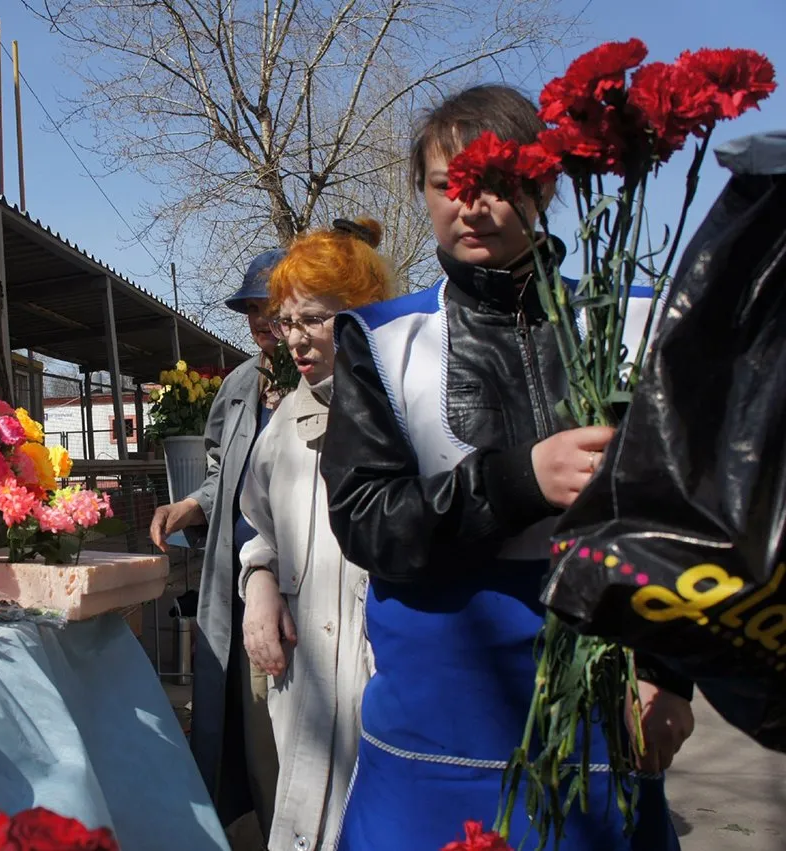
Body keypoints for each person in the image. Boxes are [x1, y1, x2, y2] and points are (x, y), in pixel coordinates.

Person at [320, 85, 693, 850]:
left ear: (546, 183)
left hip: (602, 710)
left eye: (495, 181)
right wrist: (519, 481)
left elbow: (687, 518)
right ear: (422, 195)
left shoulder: (630, 323)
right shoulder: (386, 341)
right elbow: (367, 522)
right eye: (446, 185)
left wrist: (671, 673)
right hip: (434, 723)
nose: (471, 205)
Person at [238, 219, 388, 851]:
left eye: (315, 321)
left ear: (361, 316)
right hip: (304, 667)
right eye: (288, 321)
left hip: (378, 660)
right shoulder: (284, 424)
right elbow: (260, 523)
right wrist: (261, 581)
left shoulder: (402, 408)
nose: (294, 339)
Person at [148, 250, 284, 841]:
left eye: (272, 307)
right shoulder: (238, 386)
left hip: (311, 585)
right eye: (251, 310)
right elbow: (216, 470)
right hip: (238, 583)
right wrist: (193, 504)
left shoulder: (339, 377)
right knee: (250, 731)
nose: (261, 322)